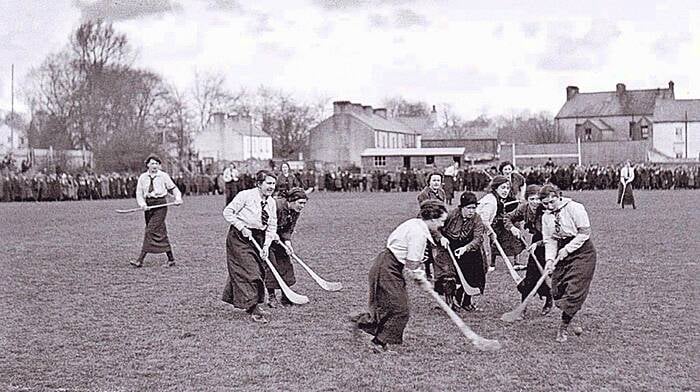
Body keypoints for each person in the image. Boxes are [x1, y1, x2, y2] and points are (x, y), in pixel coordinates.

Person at [350, 200, 448, 353]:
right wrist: (423, 281)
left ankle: (362, 322)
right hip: (387, 269)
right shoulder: (418, 234)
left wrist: (420, 276)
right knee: (400, 309)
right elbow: (412, 265)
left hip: (388, 265)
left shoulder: (414, 223)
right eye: (442, 221)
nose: (442, 225)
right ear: (433, 219)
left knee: (391, 306)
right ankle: (377, 341)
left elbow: (410, 261)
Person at [540, 184, 597, 343]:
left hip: (583, 252)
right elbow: (550, 240)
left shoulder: (575, 208)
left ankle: (563, 326)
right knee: (557, 289)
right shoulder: (546, 217)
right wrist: (550, 260)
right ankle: (572, 311)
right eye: (545, 203)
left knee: (574, 289)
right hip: (562, 253)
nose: (550, 206)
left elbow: (584, 233)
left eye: (552, 202)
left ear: (559, 196)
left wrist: (567, 249)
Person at [222, 170, 278, 324]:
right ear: (259, 184)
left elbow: (272, 226)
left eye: (273, 183)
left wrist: (266, 246)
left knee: (257, 271)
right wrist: (241, 227)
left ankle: (247, 303)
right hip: (240, 237)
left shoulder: (271, 202)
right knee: (250, 272)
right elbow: (228, 212)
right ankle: (254, 309)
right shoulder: (245, 195)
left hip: (258, 238)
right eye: (268, 183)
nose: (271, 187)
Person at [433, 191, 487, 311]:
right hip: (448, 245)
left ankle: (466, 301)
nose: (472, 211)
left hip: (467, 247)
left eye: (474, 208)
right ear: (462, 207)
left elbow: (478, 238)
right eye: (469, 208)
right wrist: (441, 238)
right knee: (448, 274)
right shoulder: (450, 215)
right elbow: (435, 227)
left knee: (475, 271)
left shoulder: (477, 219)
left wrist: (466, 248)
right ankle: (450, 302)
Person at [504, 184, 553, 315]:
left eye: (538, 199)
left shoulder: (547, 211)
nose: (535, 202)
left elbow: (552, 236)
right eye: (532, 199)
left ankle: (549, 299)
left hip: (551, 244)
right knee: (531, 275)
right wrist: (513, 228)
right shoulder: (524, 208)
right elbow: (507, 217)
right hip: (536, 240)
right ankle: (523, 306)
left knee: (546, 274)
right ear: (527, 199)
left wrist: (538, 244)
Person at [131, 154, 182, 268]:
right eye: (152, 163)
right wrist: (143, 204)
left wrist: (178, 198)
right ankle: (171, 259)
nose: (154, 166)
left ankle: (140, 260)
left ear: (159, 165)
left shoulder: (163, 176)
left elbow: (174, 189)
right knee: (161, 231)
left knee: (150, 230)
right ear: (147, 165)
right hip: (148, 206)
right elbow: (139, 194)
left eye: (157, 164)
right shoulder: (143, 177)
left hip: (161, 205)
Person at [265, 187, 308, 308]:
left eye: (304, 203)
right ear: (292, 200)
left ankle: (286, 296)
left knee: (286, 264)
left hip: (279, 239)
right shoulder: (277, 206)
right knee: (271, 265)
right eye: (300, 203)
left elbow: (289, 228)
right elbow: (264, 222)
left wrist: (287, 242)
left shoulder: (295, 211)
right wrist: (272, 234)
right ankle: (271, 297)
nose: (302, 206)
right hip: (265, 238)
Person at [476, 175, 525, 272]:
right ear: (495, 188)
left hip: (480, 227)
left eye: (507, 188)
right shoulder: (491, 202)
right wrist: (491, 232)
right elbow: (484, 220)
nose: (505, 191)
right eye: (502, 188)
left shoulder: (496, 199)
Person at [416, 172, 446, 280]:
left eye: (438, 180)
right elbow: (426, 211)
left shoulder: (441, 193)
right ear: (429, 182)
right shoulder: (424, 194)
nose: (436, 183)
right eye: (434, 180)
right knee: (428, 246)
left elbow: (443, 207)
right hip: (427, 221)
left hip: (438, 221)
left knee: (438, 245)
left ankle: (439, 268)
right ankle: (428, 270)